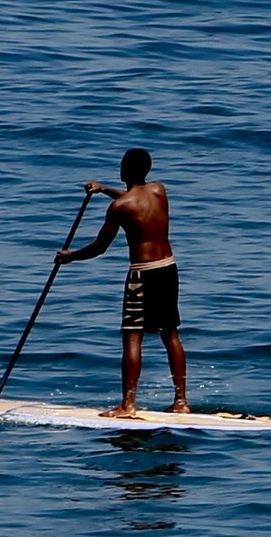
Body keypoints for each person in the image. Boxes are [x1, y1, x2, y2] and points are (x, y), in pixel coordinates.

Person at [55, 147, 189, 417]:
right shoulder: (159, 191)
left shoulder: (119, 207)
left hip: (142, 275)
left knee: (132, 336)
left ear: (125, 170)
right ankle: (181, 402)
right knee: (170, 334)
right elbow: (135, 199)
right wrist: (104, 189)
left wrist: (70, 257)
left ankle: (128, 404)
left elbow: (99, 247)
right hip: (168, 269)